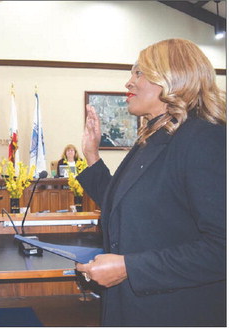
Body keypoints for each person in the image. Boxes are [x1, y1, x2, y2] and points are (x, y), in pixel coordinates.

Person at [76, 39, 226, 326]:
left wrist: (129, 268)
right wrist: (92, 154)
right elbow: (124, 204)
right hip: (134, 308)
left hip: (176, 312)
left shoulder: (204, 138)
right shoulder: (154, 138)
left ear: (173, 78)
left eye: (139, 72)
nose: (129, 82)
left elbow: (222, 248)